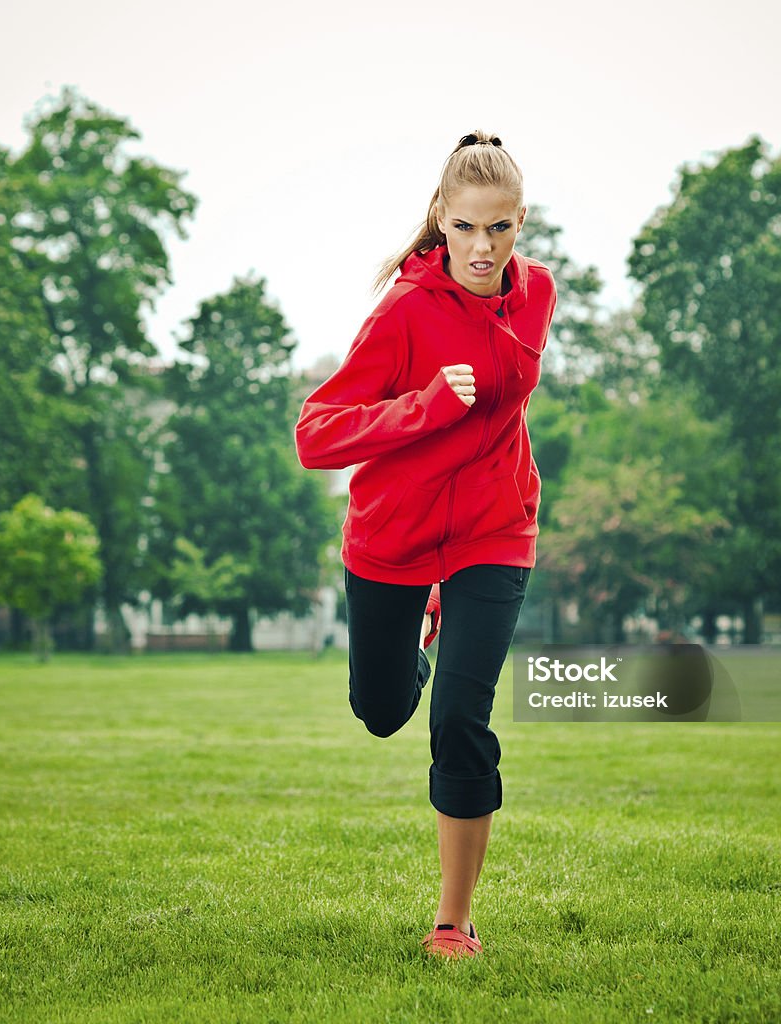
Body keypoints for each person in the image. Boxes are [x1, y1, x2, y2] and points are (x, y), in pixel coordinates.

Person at [294, 130, 556, 959]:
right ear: (441, 218)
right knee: (384, 711)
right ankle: (410, 648)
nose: (483, 249)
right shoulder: (404, 312)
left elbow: (508, 404)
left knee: (461, 719)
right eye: (468, 228)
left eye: (501, 229)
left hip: (494, 530)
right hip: (395, 542)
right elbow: (315, 436)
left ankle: (453, 922)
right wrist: (427, 407)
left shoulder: (537, 293)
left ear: (521, 223)